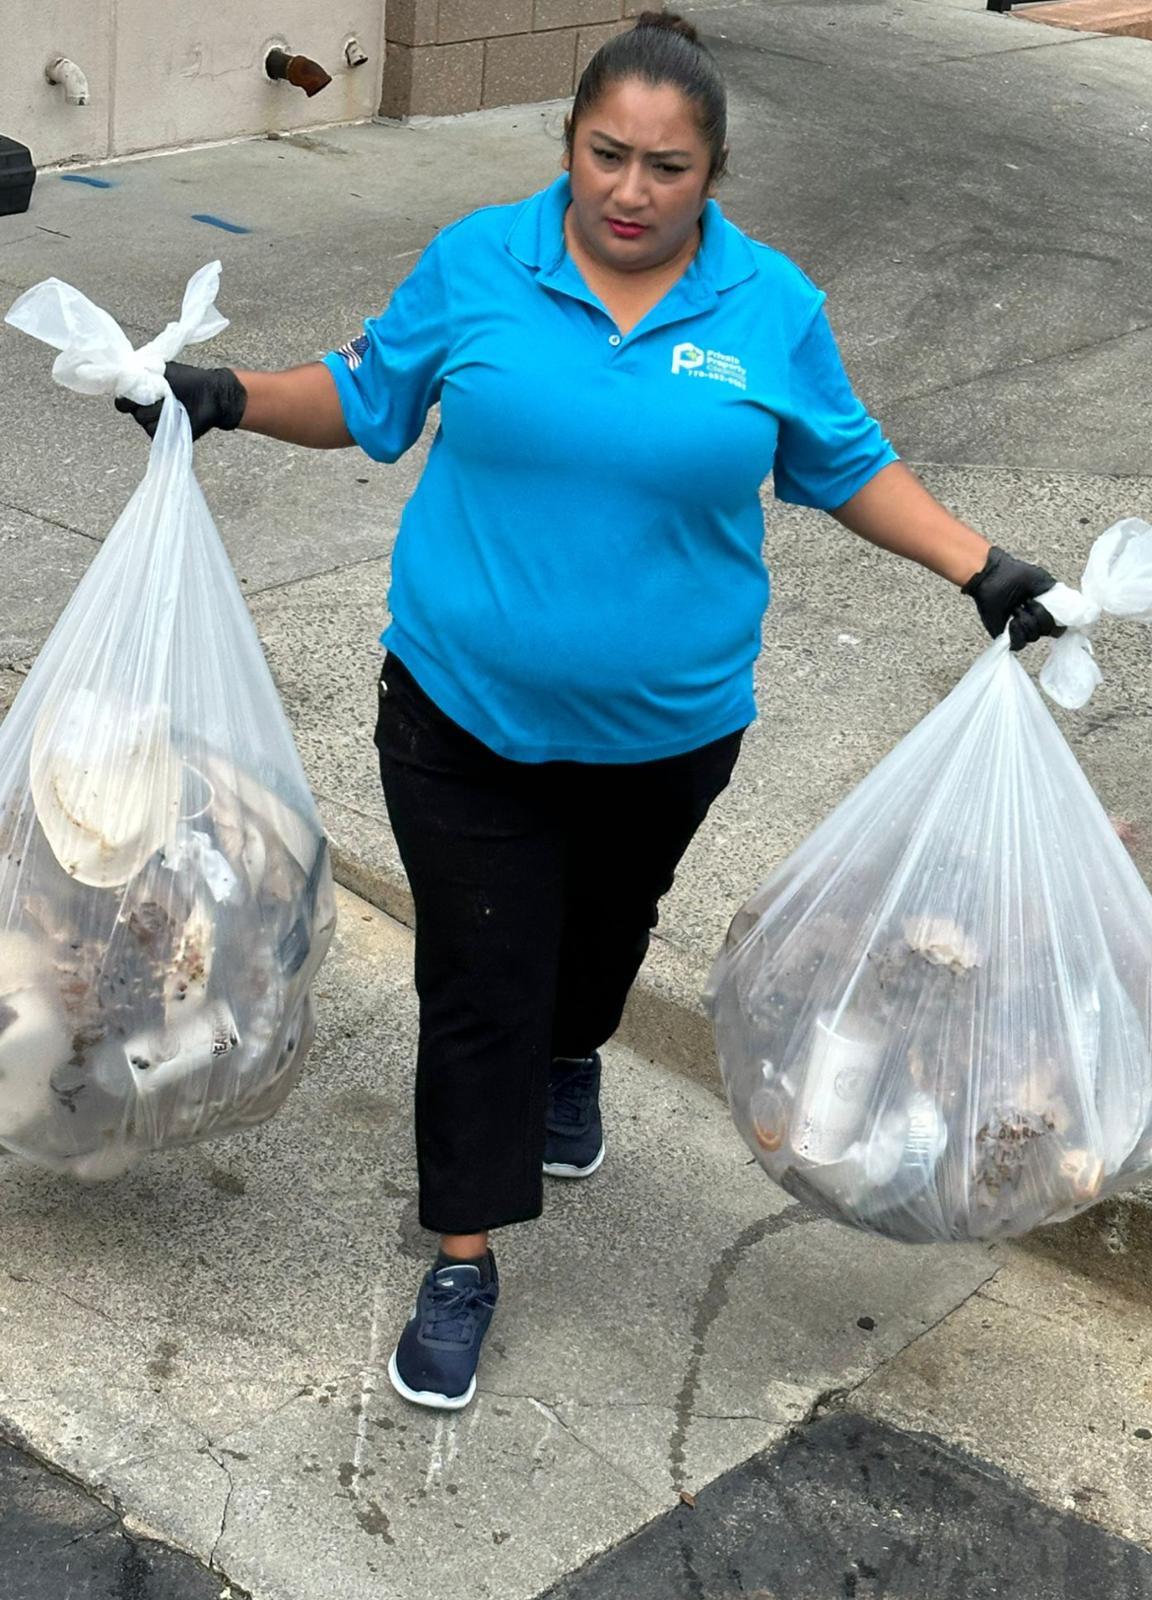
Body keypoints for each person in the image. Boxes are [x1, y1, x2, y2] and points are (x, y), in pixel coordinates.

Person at [118, 11, 1061, 1411]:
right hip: (459, 715)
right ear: (567, 143)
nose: (630, 190)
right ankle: (463, 1253)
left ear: (712, 174)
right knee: (478, 979)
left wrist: (980, 565)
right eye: (605, 154)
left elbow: (846, 462)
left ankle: (575, 1054)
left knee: (601, 942)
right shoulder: (479, 263)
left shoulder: (769, 307)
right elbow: (366, 398)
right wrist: (224, 396)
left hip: (671, 732)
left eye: (666, 167)